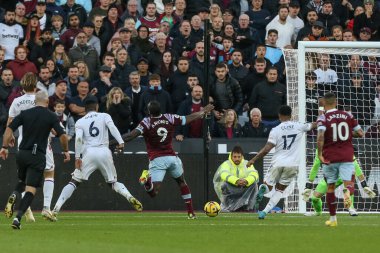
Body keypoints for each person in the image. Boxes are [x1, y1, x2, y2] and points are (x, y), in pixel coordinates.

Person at [115, 100, 214, 219]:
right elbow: (188, 118)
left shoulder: (146, 122)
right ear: (160, 110)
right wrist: (203, 112)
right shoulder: (169, 117)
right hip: (172, 157)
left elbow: (131, 135)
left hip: (157, 160)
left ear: (148, 112)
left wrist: (113, 141)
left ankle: (147, 181)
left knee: (153, 192)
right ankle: (191, 213)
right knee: (182, 182)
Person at [52, 95, 143, 218]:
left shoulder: (80, 121)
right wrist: (121, 141)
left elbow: (78, 139)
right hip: (104, 151)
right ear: (97, 106)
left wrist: (77, 157)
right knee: (113, 182)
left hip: (89, 153)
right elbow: (112, 127)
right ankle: (129, 196)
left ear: (85, 108)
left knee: (74, 181)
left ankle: (56, 208)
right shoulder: (104, 116)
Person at [1, 91, 70, 229]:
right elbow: (62, 136)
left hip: (22, 153)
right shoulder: (50, 116)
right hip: (37, 155)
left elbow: (9, 129)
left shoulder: (25, 114)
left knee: (22, 182)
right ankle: (17, 218)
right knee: (31, 189)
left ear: (34, 102)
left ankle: (14, 194)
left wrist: (4, 147)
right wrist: (66, 150)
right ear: (47, 102)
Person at [246, 105, 316, 219]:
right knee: (280, 190)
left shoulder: (275, 130)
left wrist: (253, 159)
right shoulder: (299, 126)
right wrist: (323, 117)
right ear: (291, 115)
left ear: (279, 116)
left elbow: (267, 149)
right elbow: (313, 125)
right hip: (293, 164)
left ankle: (263, 188)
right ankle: (264, 211)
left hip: (277, 162)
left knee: (268, 185)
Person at [316, 92, 364, 226]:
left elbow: (320, 136)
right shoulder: (348, 115)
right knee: (348, 182)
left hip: (329, 157)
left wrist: (320, 154)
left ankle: (333, 220)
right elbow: (361, 133)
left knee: (330, 186)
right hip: (347, 156)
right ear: (336, 102)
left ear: (324, 103)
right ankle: (347, 191)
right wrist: (348, 133)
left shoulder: (323, 118)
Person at [302, 149, 376, 217]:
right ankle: (317, 212)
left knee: (348, 189)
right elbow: (315, 167)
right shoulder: (320, 150)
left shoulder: (344, 147)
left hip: (345, 175)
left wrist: (364, 184)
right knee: (315, 198)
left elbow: (356, 166)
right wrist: (308, 185)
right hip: (330, 177)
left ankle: (351, 208)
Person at [213, 146, 259, 212]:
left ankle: (250, 208)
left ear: (242, 156)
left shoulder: (247, 163)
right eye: (235, 157)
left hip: (244, 188)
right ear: (231, 157)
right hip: (231, 190)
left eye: (239, 157)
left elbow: (254, 174)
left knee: (254, 184)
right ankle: (228, 207)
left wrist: (246, 181)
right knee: (224, 184)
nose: (237, 159)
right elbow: (224, 174)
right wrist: (236, 181)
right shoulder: (226, 164)